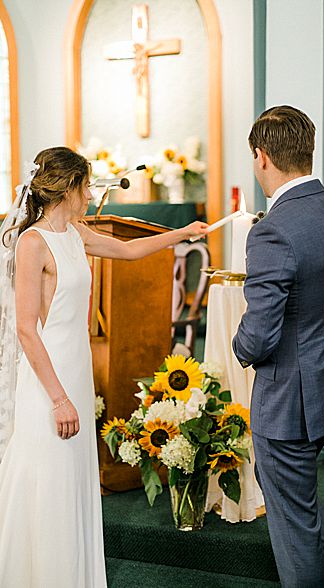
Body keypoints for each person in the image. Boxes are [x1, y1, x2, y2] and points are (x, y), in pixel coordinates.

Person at [0, 146, 207, 586]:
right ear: (68, 187)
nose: (90, 192)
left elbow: (128, 251)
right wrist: (58, 399)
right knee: (47, 481)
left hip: (73, 372)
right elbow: (25, 330)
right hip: (47, 383)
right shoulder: (33, 242)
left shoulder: (75, 233)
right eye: (86, 184)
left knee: (72, 482)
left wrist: (182, 233)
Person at [232, 105, 324, 588]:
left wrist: (237, 346)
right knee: (297, 498)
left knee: (290, 522)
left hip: (289, 399)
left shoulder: (271, 231)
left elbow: (260, 334)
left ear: (261, 157)